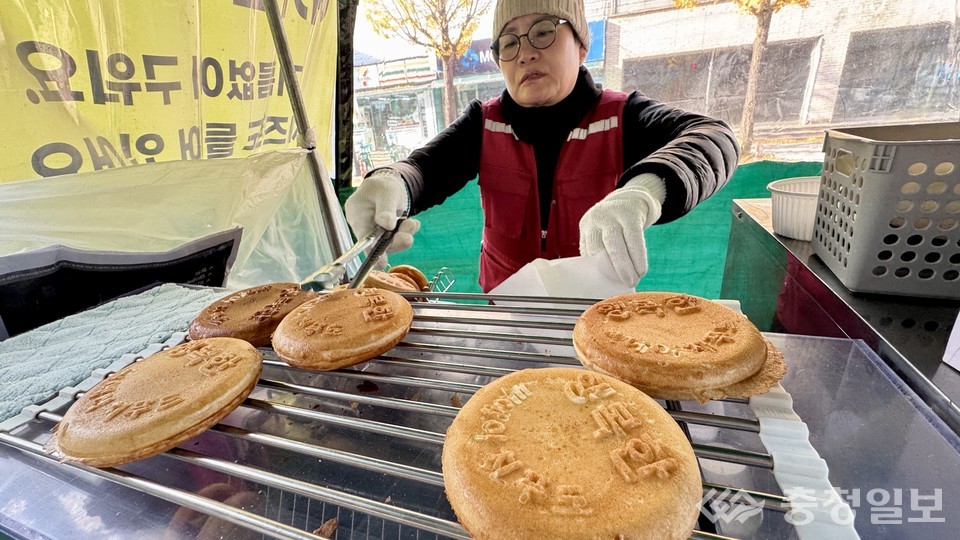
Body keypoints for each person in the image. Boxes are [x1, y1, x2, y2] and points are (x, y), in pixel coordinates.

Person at [345, 0, 740, 293]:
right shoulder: (484, 123)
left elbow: (714, 138)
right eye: (509, 43)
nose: (526, 52)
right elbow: (425, 169)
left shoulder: (623, 116)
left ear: (581, 44)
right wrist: (391, 182)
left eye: (544, 31)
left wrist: (644, 191)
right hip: (509, 318)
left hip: (596, 318)